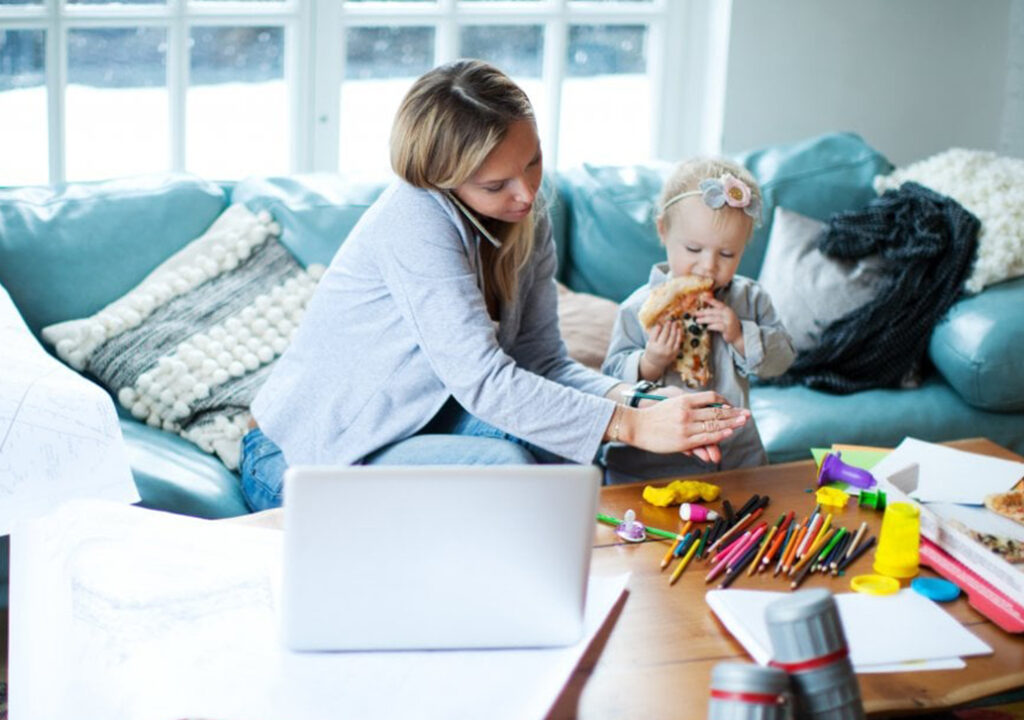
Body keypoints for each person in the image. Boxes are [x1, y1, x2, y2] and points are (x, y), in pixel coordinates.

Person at [240, 60, 749, 511]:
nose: (526, 194)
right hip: (305, 459)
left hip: (418, 428)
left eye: (532, 161)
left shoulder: (528, 218)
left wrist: (640, 402)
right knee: (505, 464)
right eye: (495, 184)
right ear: (443, 178)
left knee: (565, 448)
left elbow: (542, 361)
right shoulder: (413, 219)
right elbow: (484, 382)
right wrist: (632, 425)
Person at [601, 157, 795, 483]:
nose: (708, 266)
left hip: (734, 459)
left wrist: (738, 335)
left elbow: (782, 361)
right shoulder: (637, 308)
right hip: (651, 466)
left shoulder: (751, 299)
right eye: (693, 249)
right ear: (663, 231)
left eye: (727, 254)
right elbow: (608, 383)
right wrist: (650, 362)